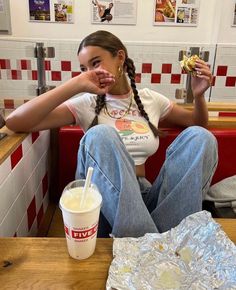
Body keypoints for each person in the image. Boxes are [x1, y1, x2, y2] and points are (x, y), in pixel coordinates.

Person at [6, 30, 218, 238]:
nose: (90, 72)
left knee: (201, 137)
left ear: (120, 57)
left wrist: (199, 96)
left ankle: (159, 241)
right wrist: (75, 85)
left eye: (95, 63)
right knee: (100, 134)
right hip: (103, 204)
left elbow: (196, 124)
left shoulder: (150, 99)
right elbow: (15, 121)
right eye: (83, 68)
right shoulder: (85, 104)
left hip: (145, 197)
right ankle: (152, 247)